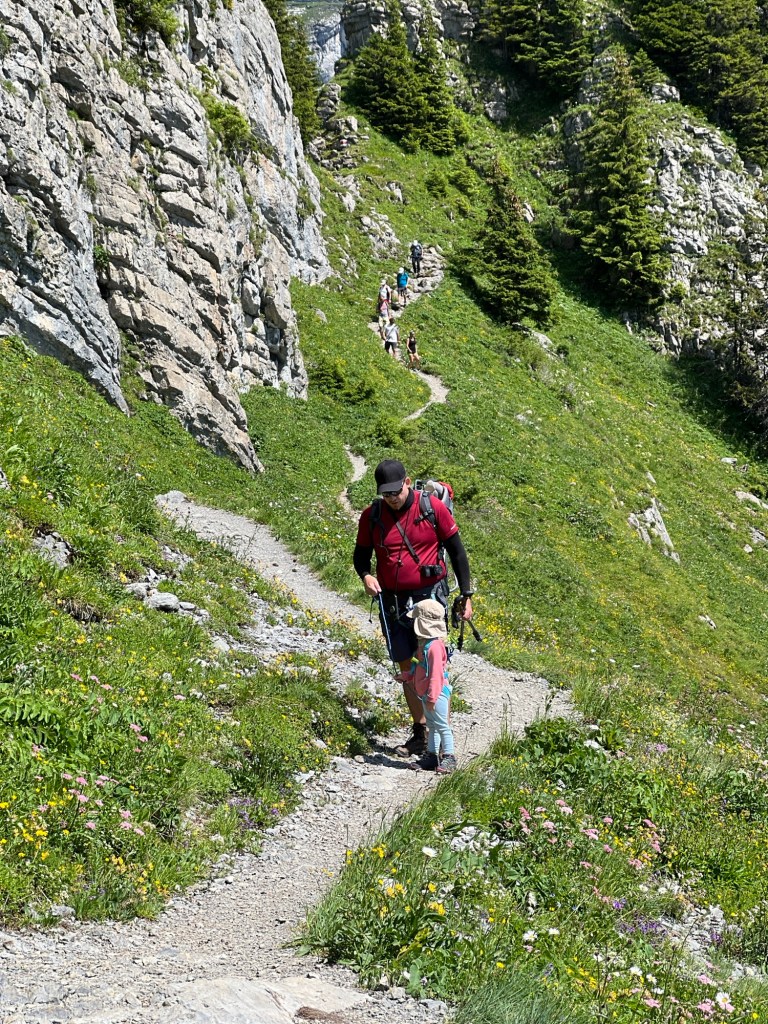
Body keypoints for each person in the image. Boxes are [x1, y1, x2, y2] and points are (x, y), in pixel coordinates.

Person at [354, 459, 474, 755]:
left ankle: (441, 740)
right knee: (405, 664)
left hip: (429, 598)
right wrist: (366, 575)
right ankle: (420, 733)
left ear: (407, 483)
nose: (392, 498)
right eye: (386, 494)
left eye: (396, 492)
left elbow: (457, 552)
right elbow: (361, 555)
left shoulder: (432, 508)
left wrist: (466, 594)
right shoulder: (372, 516)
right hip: (392, 600)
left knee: (433, 663)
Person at [396, 599, 457, 773]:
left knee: (442, 725)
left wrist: (432, 698)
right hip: (427, 694)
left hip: (437, 694)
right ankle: (431, 756)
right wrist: (406, 676)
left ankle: (449, 757)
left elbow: (436, 675)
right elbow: (417, 666)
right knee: (432, 725)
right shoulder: (423, 645)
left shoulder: (434, 647)